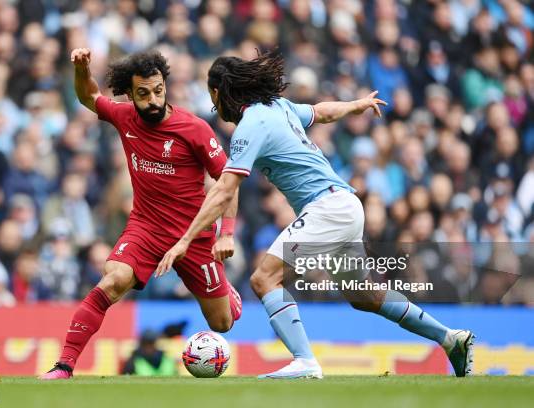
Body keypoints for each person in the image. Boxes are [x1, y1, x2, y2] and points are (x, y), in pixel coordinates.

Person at [158, 51, 474, 379]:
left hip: (327, 208)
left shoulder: (251, 125)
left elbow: (224, 189)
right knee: (364, 295)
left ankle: (305, 362)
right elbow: (320, 112)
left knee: (263, 279)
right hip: (345, 205)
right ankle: (450, 338)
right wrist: (355, 104)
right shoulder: (277, 107)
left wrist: (185, 241)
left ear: (216, 94)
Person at [40, 48, 241, 379]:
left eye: (158, 91)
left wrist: (228, 232)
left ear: (165, 86)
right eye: (143, 94)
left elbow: (228, 182)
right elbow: (88, 95)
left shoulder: (194, 129)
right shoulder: (124, 118)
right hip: (145, 229)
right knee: (112, 280)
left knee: (222, 323)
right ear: (130, 94)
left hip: (194, 236)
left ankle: (225, 291)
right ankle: (64, 365)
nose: (152, 100)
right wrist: (81, 69)